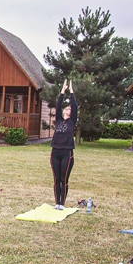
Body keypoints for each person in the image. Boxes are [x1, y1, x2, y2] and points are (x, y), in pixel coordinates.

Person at [50, 79, 78, 210]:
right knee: (56, 179)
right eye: (67, 108)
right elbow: (58, 105)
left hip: (67, 152)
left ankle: (62, 203)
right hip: (55, 151)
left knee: (64, 179)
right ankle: (57, 203)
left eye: (70, 108)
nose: (69, 109)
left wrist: (71, 91)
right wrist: (62, 91)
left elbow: (75, 106)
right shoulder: (59, 120)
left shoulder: (72, 121)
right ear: (64, 111)